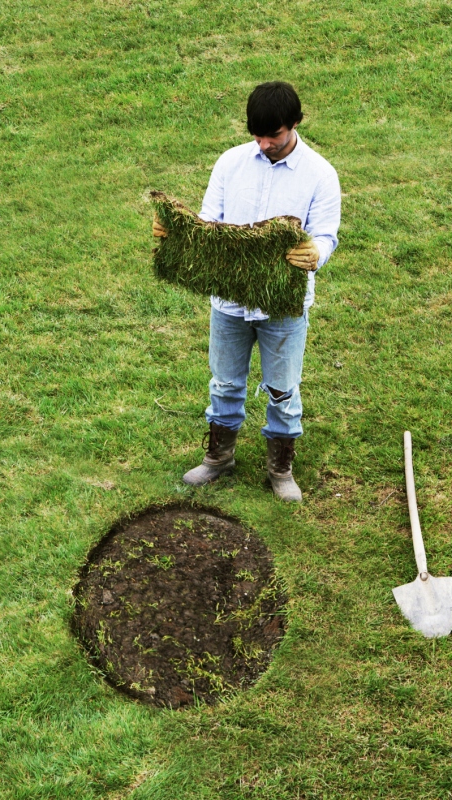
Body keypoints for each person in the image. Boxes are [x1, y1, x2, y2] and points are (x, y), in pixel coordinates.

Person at [152, 81, 341, 502]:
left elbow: (327, 234)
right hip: (229, 303)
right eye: (257, 135)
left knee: (283, 389)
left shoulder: (320, 174)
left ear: (296, 124)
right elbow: (208, 225)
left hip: (283, 308)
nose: (264, 144)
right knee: (224, 383)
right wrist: (174, 234)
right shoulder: (231, 163)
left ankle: (280, 468)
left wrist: (316, 252)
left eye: (273, 135)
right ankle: (219, 457)